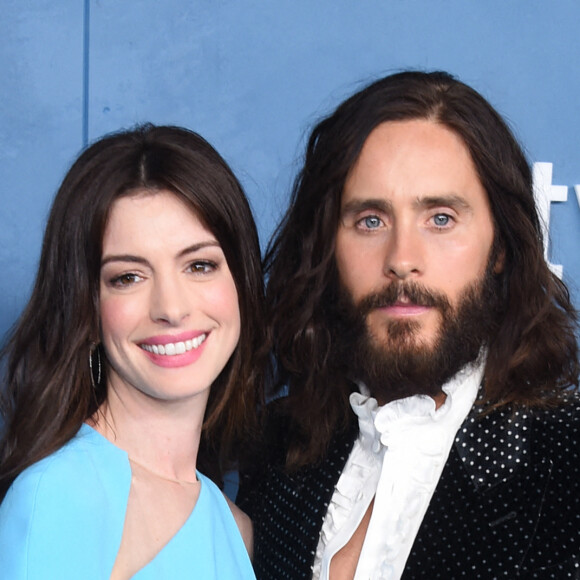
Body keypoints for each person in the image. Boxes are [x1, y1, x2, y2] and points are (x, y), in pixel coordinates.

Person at [237, 71, 580, 579]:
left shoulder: (566, 460)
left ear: (502, 247)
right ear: (327, 248)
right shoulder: (277, 449)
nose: (402, 259)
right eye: (370, 220)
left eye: (440, 218)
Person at [0, 124, 264, 579]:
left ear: (241, 282)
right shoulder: (58, 497)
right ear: (86, 306)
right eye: (128, 277)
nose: (172, 308)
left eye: (200, 265)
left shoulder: (235, 527)